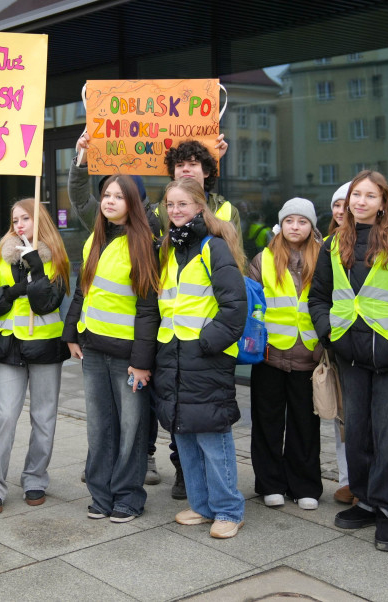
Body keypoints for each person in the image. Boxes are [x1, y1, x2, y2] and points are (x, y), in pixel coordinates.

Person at [308, 171, 388, 553]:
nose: (360, 201)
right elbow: (318, 298)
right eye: (354, 195)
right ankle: (365, 499)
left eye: (369, 195)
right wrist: (330, 334)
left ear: (383, 202)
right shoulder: (333, 244)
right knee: (359, 434)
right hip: (351, 356)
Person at [63, 175, 160, 522]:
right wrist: (71, 332)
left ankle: (128, 497)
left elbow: (149, 308)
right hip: (93, 350)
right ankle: (101, 496)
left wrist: (141, 362)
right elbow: (83, 290)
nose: (110, 201)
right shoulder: (96, 238)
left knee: (131, 430)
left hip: (128, 358)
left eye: (119, 196)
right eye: (106, 194)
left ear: (133, 203)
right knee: (100, 428)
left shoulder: (144, 242)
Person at [154, 178, 247, 538]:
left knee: (212, 434)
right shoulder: (171, 248)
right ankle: (203, 505)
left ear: (199, 206)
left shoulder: (214, 247)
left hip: (205, 356)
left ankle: (228, 510)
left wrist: (209, 344)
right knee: (186, 434)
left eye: (183, 204)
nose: (175, 211)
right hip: (175, 355)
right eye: (170, 204)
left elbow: (234, 306)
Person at [0, 198, 70, 514]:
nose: (19, 226)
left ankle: (35, 479)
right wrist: (15, 289)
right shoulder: (1, 258)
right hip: (10, 345)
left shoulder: (55, 259)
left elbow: (47, 304)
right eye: (15, 220)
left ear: (39, 220)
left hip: (44, 347)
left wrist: (38, 269)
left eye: (25, 219)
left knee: (44, 418)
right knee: (5, 416)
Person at [246, 198, 323, 510]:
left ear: (311, 226)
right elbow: (252, 306)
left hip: (308, 353)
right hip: (270, 354)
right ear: (281, 224)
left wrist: (324, 343)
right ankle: (270, 483)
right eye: (290, 220)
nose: (295, 226)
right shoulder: (263, 259)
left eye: (302, 221)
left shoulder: (324, 258)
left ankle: (304, 485)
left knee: (306, 424)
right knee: (267, 422)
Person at [327, 181, 354, 506]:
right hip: (337, 344)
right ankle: (348, 480)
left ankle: (366, 482)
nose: (341, 210)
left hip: (370, 345)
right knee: (342, 419)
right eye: (337, 204)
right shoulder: (328, 244)